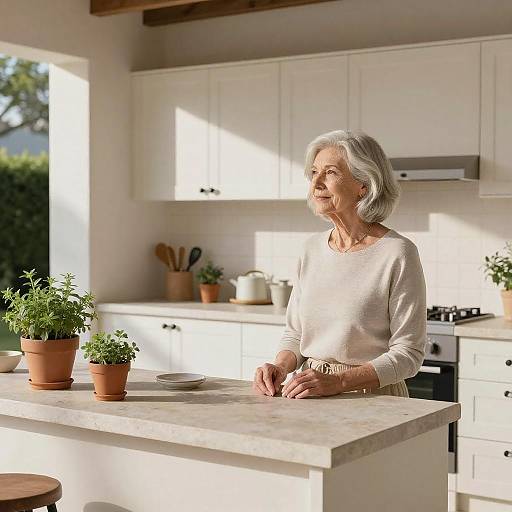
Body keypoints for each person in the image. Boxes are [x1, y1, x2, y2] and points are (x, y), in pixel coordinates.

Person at [253, 130, 426, 399]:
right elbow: (296, 333)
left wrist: (340, 381)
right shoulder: (310, 249)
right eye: (314, 172)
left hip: (374, 398)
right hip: (310, 393)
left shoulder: (398, 252)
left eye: (330, 172)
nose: (317, 182)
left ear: (364, 185)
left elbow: (409, 354)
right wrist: (280, 366)